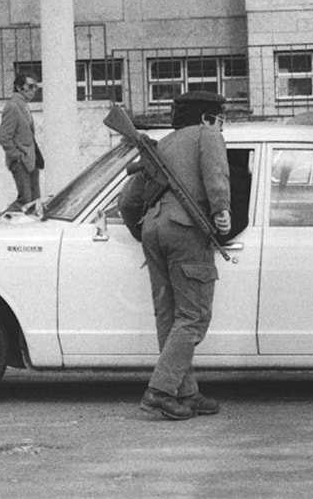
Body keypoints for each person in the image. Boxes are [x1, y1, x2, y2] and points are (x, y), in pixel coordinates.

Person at [120, 90, 232, 421]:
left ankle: (186, 393)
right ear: (206, 117)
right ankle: (160, 391)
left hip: (153, 229)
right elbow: (216, 174)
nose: (221, 125)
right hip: (186, 229)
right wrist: (221, 209)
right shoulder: (207, 134)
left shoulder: (160, 145)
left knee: (169, 316)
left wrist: (147, 231)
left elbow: (128, 202)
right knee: (194, 316)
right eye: (219, 118)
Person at [0, 72, 43, 213]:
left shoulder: (23, 105)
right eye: (30, 86)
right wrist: (18, 157)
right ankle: (3, 220)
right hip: (21, 161)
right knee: (25, 200)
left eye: (35, 87)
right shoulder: (13, 106)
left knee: (34, 202)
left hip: (31, 160)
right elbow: (4, 137)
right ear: (18, 87)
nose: (34, 90)